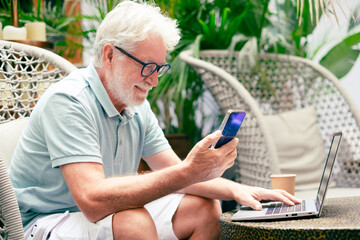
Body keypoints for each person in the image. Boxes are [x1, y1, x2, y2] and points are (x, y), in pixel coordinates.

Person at [9, 1, 300, 239]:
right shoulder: (70, 100)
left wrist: (238, 190)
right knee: (133, 222)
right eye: (147, 67)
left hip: (101, 215)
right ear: (110, 55)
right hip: (43, 222)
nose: (155, 81)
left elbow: (177, 172)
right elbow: (93, 200)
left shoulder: (136, 105)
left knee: (203, 208)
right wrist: (189, 171)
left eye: (160, 68)